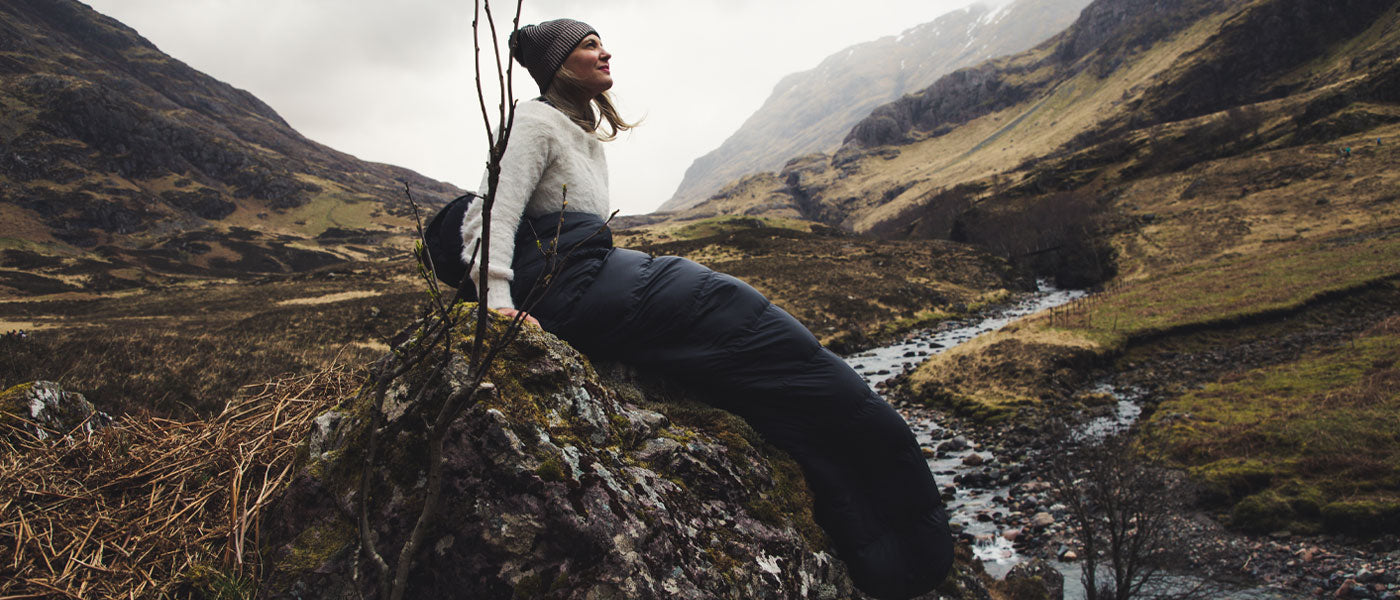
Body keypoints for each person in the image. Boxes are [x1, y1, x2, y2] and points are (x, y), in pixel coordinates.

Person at [460, 19, 953, 599]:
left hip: (589, 279)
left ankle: (885, 555)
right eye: (589, 45)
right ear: (558, 63)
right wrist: (497, 304)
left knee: (750, 384)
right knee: (734, 309)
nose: (605, 51)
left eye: (600, 41)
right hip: (568, 287)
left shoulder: (582, 133)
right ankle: (901, 532)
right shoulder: (534, 120)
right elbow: (489, 213)